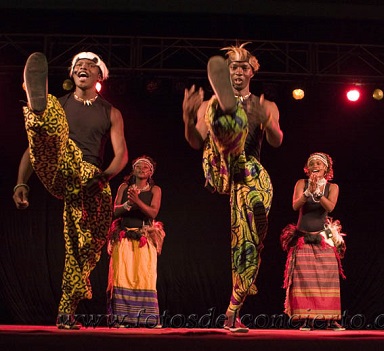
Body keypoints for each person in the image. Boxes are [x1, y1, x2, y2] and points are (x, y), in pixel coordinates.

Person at [12, 52, 128, 329]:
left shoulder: (110, 111)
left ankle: (66, 312)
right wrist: (20, 182)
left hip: (92, 180)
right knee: (49, 125)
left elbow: (121, 154)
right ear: (71, 75)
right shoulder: (61, 104)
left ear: (100, 77)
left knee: (86, 248)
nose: (82, 67)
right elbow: (33, 150)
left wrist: (105, 177)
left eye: (90, 65)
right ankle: (38, 111)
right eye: (78, 65)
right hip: (60, 164)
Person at [182, 43, 283, 332]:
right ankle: (229, 113)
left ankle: (232, 311)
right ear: (227, 74)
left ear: (252, 71)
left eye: (243, 67)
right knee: (226, 120)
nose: (238, 71)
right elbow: (194, 140)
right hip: (220, 163)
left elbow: (276, 141)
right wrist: (189, 119)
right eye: (233, 68)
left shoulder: (267, 106)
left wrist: (268, 122)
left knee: (249, 243)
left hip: (247, 172)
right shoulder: (207, 105)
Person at [280, 152, 346, 331]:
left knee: (328, 280)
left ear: (326, 169)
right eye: (311, 163)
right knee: (305, 281)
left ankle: (330, 320)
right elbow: (295, 205)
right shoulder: (301, 183)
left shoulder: (333, 187)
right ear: (307, 169)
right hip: (303, 238)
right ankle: (306, 319)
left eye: (319, 163)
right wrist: (308, 191)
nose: (315, 165)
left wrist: (318, 192)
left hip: (323, 238)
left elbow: (330, 207)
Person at [106, 155, 165, 328]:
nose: (142, 169)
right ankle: (120, 319)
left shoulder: (155, 190)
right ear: (133, 170)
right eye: (138, 166)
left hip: (144, 239)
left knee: (144, 277)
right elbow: (113, 212)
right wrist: (126, 206)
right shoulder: (124, 187)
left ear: (150, 173)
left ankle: (147, 319)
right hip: (124, 238)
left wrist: (137, 201)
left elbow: (153, 213)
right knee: (122, 277)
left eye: (146, 167)